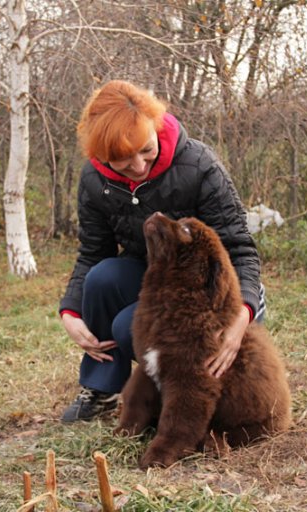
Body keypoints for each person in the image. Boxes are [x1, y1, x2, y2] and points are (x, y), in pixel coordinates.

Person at [58, 80, 265, 423]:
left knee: (128, 326)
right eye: (122, 160)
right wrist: (71, 312)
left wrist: (240, 315)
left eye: (146, 150)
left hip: (209, 294)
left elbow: (241, 249)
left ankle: (163, 391)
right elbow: (93, 252)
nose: (138, 166)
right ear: (102, 156)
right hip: (154, 279)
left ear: (155, 128)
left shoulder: (199, 166)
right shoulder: (94, 181)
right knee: (101, 278)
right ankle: (103, 388)